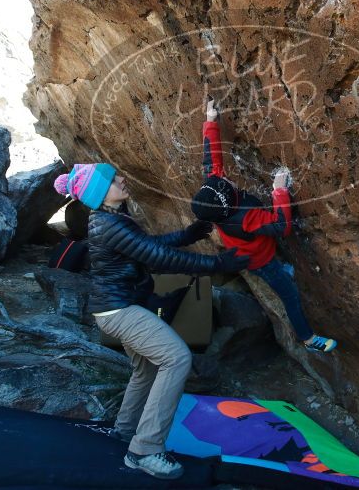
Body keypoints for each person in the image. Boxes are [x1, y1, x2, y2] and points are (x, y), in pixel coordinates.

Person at [53, 163, 249, 480]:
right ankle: (144, 450)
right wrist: (216, 263)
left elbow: (149, 247)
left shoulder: (111, 219)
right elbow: (158, 258)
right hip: (120, 312)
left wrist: (187, 235)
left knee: (146, 368)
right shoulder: (109, 224)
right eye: (113, 179)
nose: (122, 179)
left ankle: (124, 431)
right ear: (100, 193)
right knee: (176, 358)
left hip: (117, 309)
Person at [190, 99, 337, 353]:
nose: (226, 179)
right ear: (229, 202)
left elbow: (211, 157)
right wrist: (279, 192)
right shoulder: (245, 219)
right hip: (261, 261)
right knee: (289, 294)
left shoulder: (215, 192)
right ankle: (308, 339)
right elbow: (282, 226)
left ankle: (284, 270)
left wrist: (210, 120)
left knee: (278, 267)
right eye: (227, 184)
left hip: (249, 248)